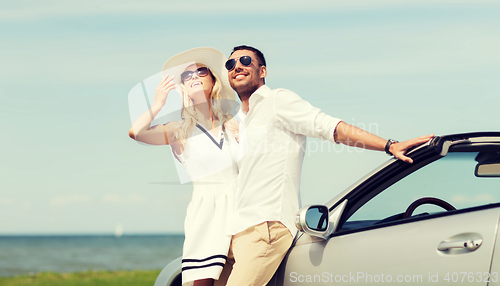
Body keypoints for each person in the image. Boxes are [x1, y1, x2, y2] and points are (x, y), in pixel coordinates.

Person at [218, 45, 434, 286]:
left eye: (245, 61)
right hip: (234, 231)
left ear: (263, 71)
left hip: (265, 227)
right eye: (230, 64)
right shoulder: (241, 121)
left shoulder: (277, 100)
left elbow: (329, 127)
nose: (237, 66)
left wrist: (388, 145)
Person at [128, 47, 239, 286]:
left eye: (200, 71)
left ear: (213, 79)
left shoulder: (233, 125)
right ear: (182, 87)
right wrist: (158, 103)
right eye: (186, 76)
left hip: (241, 213)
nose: (194, 77)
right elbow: (136, 132)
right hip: (207, 217)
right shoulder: (180, 130)